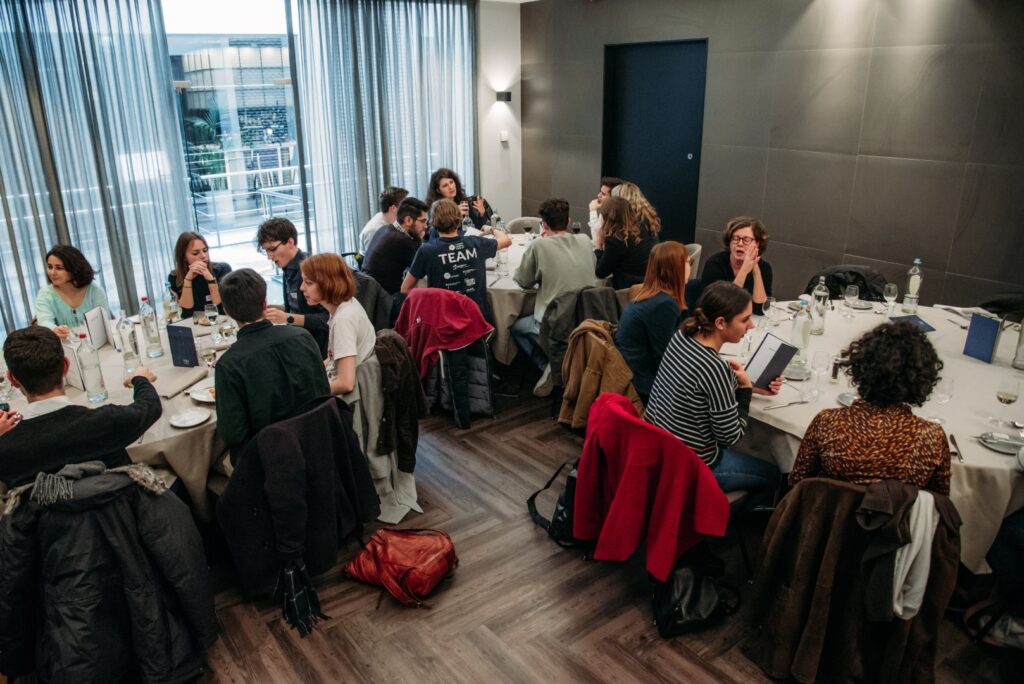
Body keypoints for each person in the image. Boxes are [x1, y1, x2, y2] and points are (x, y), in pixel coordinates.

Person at [646, 282, 783, 501]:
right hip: (693, 464)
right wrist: (746, 391)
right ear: (720, 323)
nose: (751, 326)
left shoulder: (682, 336)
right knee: (775, 475)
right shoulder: (714, 367)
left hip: (658, 448)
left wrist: (742, 383)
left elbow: (695, 385)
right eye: (745, 320)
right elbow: (731, 436)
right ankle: (722, 514)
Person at [789, 321, 950, 494]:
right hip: (897, 513)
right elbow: (939, 500)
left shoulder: (828, 422)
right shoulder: (931, 437)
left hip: (829, 510)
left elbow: (797, 483)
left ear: (861, 366)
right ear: (922, 377)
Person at [0, 325, 160, 488]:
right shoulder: (105, 421)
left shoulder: (6, 450)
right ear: (65, 366)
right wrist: (140, 379)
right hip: (121, 501)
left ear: (13, 379)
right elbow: (151, 405)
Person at [213, 269, 330, 449]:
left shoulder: (228, 364)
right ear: (265, 304)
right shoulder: (303, 336)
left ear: (227, 311)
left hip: (269, 455)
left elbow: (233, 434)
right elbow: (324, 391)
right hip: (319, 440)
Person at [512, 197, 596, 395]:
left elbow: (524, 281)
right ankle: (558, 364)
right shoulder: (585, 240)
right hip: (585, 317)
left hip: (553, 321)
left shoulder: (539, 245)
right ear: (569, 221)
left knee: (515, 327)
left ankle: (549, 366)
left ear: (544, 224)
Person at [401, 198, 511, 321]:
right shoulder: (476, 243)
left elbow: (405, 288)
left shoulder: (426, 251)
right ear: (459, 220)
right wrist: (491, 229)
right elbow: (506, 240)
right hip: (477, 319)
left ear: (433, 223)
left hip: (443, 320)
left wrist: (430, 303)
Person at [616, 241, 690, 401]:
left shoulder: (651, 296)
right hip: (644, 386)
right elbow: (666, 358)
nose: (689, 267)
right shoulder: (663, 305)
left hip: (634, 374)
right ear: (676, 268)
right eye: (687, 262)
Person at [299, 254, 376, 397]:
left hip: (344, 401)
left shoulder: (343, 320)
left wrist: (308, 394)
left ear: (328, 283)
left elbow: (346, 383)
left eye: (308, 283)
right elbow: (333, 358)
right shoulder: (346, 304)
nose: (302, 288)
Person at [255, 217, 329, 356]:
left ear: (290, 242)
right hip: (298, 341)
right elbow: (295, 307)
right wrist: (270, 309)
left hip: (317, 348)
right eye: (266, 251)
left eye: (272, 249)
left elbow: (328, 318)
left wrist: (288, 318)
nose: (269, 257)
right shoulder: (287, 268)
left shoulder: (311, 269)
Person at [34, 245, 110, 340]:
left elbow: (104, 323)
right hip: (62, 346)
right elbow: (44, 322)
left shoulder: (95, 291)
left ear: (74, 269)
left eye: (59, 268)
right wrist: (54, 329)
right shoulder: (45, 294)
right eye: (50, 267)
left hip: (96, 344)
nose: (52, 272)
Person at [701, 216, 773, 315]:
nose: (740, 243)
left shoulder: (764, 268)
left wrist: (756, 270)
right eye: (735, 238)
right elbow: (722, 307)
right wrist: (744, 270)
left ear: (757, 243)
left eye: (746, 240)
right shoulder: (715, 264)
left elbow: (761, 309)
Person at [361, 197, 430, 294]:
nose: (425, 226)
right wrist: (419, 238)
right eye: (422, 221)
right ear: (408, 220)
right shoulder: (402, 240)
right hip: (385, 297)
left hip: (370, 292)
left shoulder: (385, 228)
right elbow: (422, 269)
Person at [594, 195, 658, 289]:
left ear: (608, 218)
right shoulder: (646, 226)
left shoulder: (615, 240)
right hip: (652, 284)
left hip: (628, 290)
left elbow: (601, 273)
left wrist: (598, 246)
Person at [167, 231, 232, 319]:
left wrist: (210, 280)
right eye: (195, 253)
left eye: (205, 250)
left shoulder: (222, 269)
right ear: (184, 257)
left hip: (221, 322)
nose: (203, 256)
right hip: (192, 324)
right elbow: (186, 314)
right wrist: (187, 281)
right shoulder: (175, 276)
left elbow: (222, 310)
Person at [425, 167, 494, 231]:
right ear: (438, 190)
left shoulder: (463, 201)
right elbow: (437, 234)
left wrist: (482, 213)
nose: (450, 187)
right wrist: (454, 216)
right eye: (445, 185)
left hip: (468, 238)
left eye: (451, 182)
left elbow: (478, 228)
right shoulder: (435, 208)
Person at [359, 186, 409, 253]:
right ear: (393, 208)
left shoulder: (392, 220)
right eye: (405, 206)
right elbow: (374, 257)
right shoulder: (374, 230)